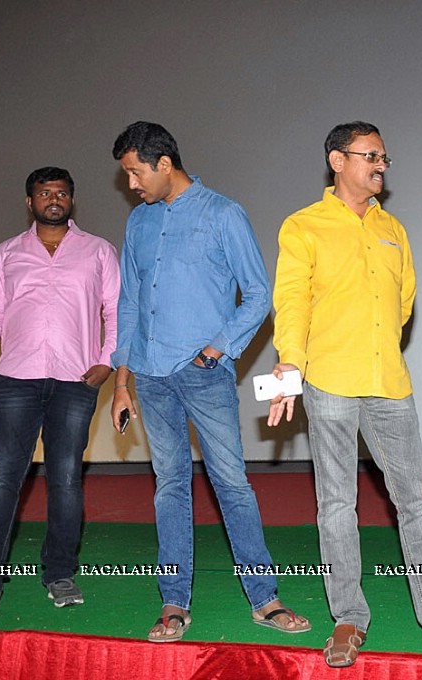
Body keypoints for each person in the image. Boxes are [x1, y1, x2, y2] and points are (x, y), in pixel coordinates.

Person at [267, 121, 422, 667]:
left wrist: (372, 338)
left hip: (389, 382)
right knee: (336, 504)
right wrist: (289, 367)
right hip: (329, 382)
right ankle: (348, 617)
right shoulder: (304, 226)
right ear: (338, 161)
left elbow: (403, 303)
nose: (381, 165)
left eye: (385, 156)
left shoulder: (394, 229)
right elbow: (291, 302)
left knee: (417, 502)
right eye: (370, 156)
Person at [109, 121, 308, 642]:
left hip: (202, 375)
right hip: (149, 376)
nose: (132, 184)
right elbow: (129, 303)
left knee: (231, 485)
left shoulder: (223, 213)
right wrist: (122, 381)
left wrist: (215, 350)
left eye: (135, 173)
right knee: (169, 488)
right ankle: (174, 603)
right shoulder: (138, 224)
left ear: (164, 164)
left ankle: (265, 598)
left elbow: (259, 294)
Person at [0, 167, 119, 621]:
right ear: (30, 202)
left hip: (75, 381)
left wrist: (108, 358)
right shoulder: (7, 254)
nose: (54, 199)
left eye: (62, 193)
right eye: (45, 193)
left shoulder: (98, 252)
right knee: (3, 481)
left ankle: (60, 574)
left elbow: (115, 309)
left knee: (65, 480)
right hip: (15, 380)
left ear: (73, 201)